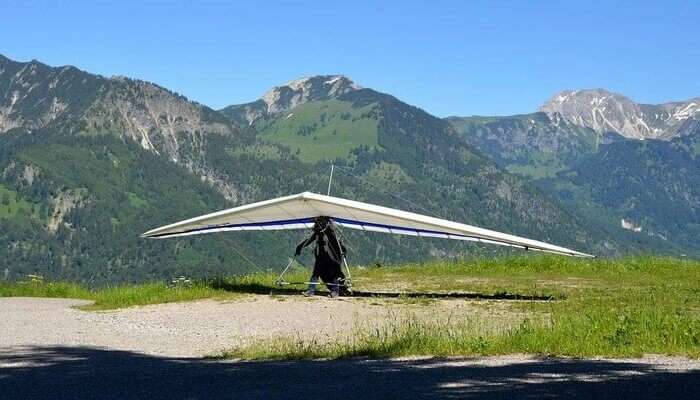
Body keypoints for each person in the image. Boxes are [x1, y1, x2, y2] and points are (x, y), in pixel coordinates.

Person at [295, 216, 348, 297]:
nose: (316, 224)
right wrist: (300, 247)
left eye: (318, 222)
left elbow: (338, 242)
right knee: (315, 273)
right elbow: (309, 240)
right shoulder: (318, 233)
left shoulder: (330, 232)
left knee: (335, 273)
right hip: (321, 257)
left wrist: (343, 250)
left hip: (332, 257)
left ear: (325, 223)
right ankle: (311, 291)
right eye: (316, 223)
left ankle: (335, 291)